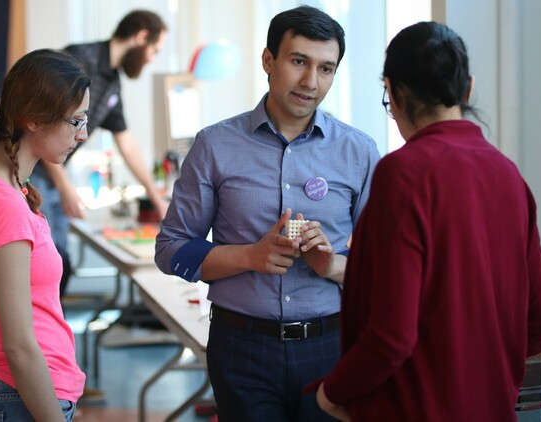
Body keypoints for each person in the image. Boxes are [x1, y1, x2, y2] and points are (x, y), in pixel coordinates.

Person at [314, 22, 541, 421]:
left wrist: (332, 392)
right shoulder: (508, 176)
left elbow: (391, 337)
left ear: (394, 93)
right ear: (468, 89)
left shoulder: (403, 174)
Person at [155, 5, 380, 421]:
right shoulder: (214, 145)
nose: (311, 82)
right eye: (299, 62)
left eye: (326, 69)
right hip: (241, 347)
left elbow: (382, 269)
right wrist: (249, 257)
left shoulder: (359, 151)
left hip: (330, 346)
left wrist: (332, 267)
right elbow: (170, 250)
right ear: (268, 61)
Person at [0, 49, 89, 421]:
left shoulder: (7, 191)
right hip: (19, 398)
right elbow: (18, 345)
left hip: (19, 395)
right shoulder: (2, 204)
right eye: (75, 121)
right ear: (32, 118)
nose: (83, 134)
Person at [30, 9, 168, 296]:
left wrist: (157, 199)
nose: (153, 58)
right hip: (33, 174)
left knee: (60, 264)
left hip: (54, 177)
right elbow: (45, 126)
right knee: (47, 265)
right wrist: (65, 187)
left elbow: (126, 142)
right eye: (154, 49)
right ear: (141, 37)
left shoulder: (113, 83)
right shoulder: (79, 59)